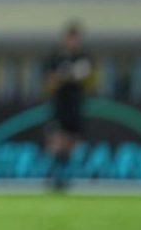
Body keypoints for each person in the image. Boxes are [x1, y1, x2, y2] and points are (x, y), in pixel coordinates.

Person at [43, 20, 92, 191]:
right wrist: (66, 75)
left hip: (75, 104)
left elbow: (86, 78)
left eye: (76, 39)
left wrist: (66, 76)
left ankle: (64, 173)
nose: (73, 42)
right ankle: (54, 174)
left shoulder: (83, 57)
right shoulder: (55, 58)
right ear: (65, 39)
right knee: (58, 138)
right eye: (71, 38)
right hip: (60, 104)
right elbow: (50, 83)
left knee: (73, 139)